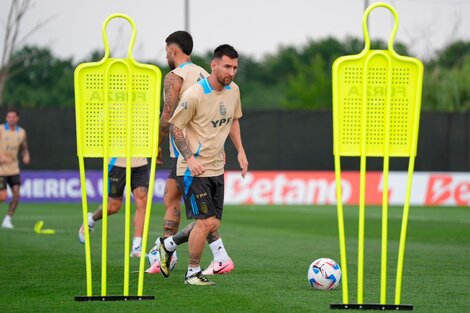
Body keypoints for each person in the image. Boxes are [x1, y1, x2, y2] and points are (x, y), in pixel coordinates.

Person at [159, 44, 248, 285]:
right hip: (193, 169)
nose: (231, 71)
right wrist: (190, 158)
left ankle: (168, 244)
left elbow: (234, 120)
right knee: (205, 222)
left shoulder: (234, 91)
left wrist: (240, 151)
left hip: (217, 166)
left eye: (235, 67)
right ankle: (192, 272)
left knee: (211, 223)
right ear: (214, 65)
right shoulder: (195, 94)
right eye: (227, 66)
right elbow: (175, 127)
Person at [147, 31, 234, 275]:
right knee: (184, 202)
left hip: (185, 151)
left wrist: (156, 146)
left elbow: (167, 117)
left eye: (166, 50)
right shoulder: (206, 74)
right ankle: (217, 254)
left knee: (179, 203)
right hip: (207, 151)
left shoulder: (174, 76)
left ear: (173, 50)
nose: (166, 55)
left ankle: (172, 252)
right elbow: (218, 114)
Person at [78, 158, 150, 257]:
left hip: (140, 161)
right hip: (117, 162)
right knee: (113, 207)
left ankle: (136, 247)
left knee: (142, 201)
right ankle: (91, 219)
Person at [0, 109, 30, 229]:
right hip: (1, 169)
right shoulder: (1, 129)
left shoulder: (21, 132)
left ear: (17, 118)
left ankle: (7, 219)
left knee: (16, 194)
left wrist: (26, 154)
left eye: (13, 117)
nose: (10, 119)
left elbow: (24, 147)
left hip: (14, 168)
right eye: (8, 117)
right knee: (2, 196)